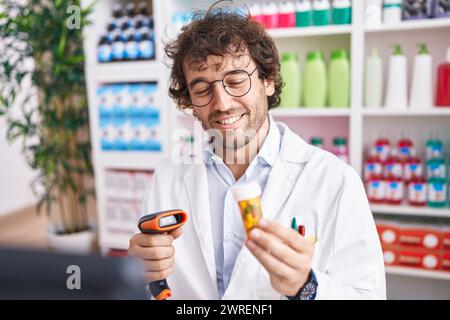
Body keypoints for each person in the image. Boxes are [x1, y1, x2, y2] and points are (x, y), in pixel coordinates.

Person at [128, 1, 386, 300]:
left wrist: (306, 287)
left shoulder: (335, 180)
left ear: (269, 82)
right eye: (201, 88)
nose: (222, 103)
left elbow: (368, 295)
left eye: (236, 81)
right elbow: (149, 287)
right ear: (188, 101)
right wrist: (139, 272)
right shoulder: (168, 176)